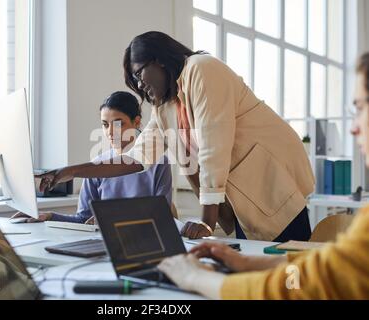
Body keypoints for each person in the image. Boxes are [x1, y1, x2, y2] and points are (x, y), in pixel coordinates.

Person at [37, 31, 314, 241]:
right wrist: (69, 172)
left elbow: (213, 150)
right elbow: (135, 159)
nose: (140, 86)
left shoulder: (202, 69)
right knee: (257, 284)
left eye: (138, 75)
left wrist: (206, 223)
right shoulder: (165, 107)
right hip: (244, 203)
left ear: (158, 61)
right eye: (134, 83)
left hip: (273, 188)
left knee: (293, 282)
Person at [157, 53, 369, 300]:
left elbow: (298, 288)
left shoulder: (202, 70)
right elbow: (322, 272)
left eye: (361, 108)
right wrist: (245, 263)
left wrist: (195, 277)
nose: (354, 127)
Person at [27, 91, 172, 223]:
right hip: (103, 242)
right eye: (105, 124)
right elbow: (83, 219)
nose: (110, 132)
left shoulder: (159, 163)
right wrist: (50, 216)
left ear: (137, 121)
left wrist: (112, 217)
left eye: (118, 124)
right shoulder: (96, 167)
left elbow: (161, 215)